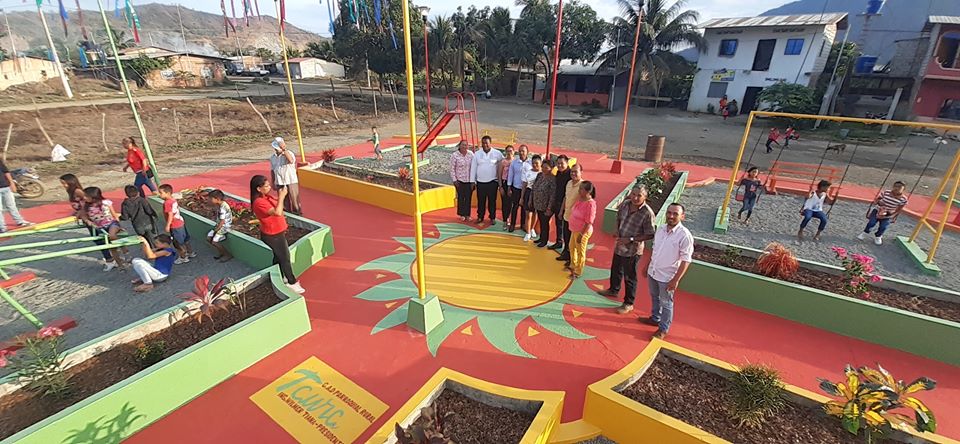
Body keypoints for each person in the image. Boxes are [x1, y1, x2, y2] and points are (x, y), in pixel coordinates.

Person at [599, 185, 656, 314]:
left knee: (630, 276)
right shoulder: (625, 204)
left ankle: (628, 303)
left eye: (639, 195)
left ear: (645, 197)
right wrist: (617, 229)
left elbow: (650, 234)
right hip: (620, 245)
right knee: (616, 268)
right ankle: (613, 289)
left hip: (633, 250)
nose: (635, 198)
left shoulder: (647, 213)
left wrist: (630, 239)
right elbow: (618, 217)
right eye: (633, 194)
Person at [644, 203, 694, 339]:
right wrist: (647, 266)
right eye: (669, 212)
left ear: (682, 216)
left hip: (667, 277)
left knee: (666, 303)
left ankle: (663, 329)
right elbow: (655, 249)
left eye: (675, 214)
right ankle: (655, 318)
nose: (671, 216)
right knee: (654, 296)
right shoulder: (660, 229)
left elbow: (686, 260)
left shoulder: (684, 236)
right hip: (653, 271)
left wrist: (675, 280)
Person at [251, 175, 305, 294]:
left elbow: (280, 206)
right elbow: (277, 212)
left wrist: (282, 195)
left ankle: (279, 276)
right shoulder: (259, 202)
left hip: (277, 232)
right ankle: (292, 282)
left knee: (278, 257)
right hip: (273, 235)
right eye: (266, 186)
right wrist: (281, 196)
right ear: (258, 189)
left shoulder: (266, 197)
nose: (269, 187)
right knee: (285, 258)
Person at [61, 174, 112, 266]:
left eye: (64, 183)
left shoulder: (78, 191)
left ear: (70, 182)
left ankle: (110, 258)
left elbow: (87, 202)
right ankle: (110, 255)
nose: (63, 185)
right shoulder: (71, 191)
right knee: (98, 238)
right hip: (86, 217)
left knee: (98, 238)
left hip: (90, 217)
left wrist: (81, 213)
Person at [81, 186, 126, 271]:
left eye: (86, 196)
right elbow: (83, 215)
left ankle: (124, 248)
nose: (84, 198)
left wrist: (120, 225)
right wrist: (88, 221)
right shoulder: (86, 206)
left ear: (93, 197)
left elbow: (114, 214)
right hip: (100, 227)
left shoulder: (105, 203)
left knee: (112, 235)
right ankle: (119, 263)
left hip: (112, 223)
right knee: (111, 245)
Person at [858, 181, 908, 245]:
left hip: (888, 213)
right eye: (895, 186)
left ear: (903, 189)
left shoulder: (903, 199)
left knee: (883, 226)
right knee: (871, 223)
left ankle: (878, 236)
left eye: (899, 187)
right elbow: (877, 200)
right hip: (878, 210)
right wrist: (878, 202)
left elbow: (899, 209)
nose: (896, 188)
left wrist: (892, 215)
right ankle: (865, 233)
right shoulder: (886, 192)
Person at [469, 135, 504, 225]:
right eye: (483, 143)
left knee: (492, 201)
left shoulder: (497, 153)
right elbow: (473, 168)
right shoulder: (477, 154)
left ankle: (492, 217)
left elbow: (503, 163)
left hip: (492, 182)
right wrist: (472, 181)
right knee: (481, 201)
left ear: (490, 143)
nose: (485, 145)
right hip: (480, 182)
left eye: (487, 143)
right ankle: (480, 217)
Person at [158, 184, 195, 263]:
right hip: (180, 222)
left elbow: (170, 214)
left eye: (161, 193)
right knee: (185, 239)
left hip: (174, 225)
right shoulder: (173, 200)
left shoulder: (167, 203)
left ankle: (183, 257)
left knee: (177, 243)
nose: (159, 194)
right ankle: (190, 252)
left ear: (167, 193)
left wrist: (168, 225)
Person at [567, 181, 597, 280]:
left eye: (581, 189)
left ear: (588, 191)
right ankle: (573, 264)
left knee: (580, 251)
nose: (579, 190)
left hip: (582, 231)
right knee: (572, 247)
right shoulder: (580, 199)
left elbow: (589, 222)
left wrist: (581, 234)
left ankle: (578, 271)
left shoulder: (590, 204)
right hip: (575, 229)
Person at [556, 164, 583, 265]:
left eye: (576, 171)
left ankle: (573, 260)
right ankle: (566, 254)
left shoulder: (583, 186)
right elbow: (565, 197)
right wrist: (561, 211)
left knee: (574, 241)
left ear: (581, 172)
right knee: (566, 237)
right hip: (567, 215)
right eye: (572, 171)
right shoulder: (569, 183)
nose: (573, 174)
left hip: (576, 219)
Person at [270, 137, 301, 214]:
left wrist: (284, 149)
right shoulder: (273, 157)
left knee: (294, 200)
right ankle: (287, 214)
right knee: (283, 200)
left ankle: (297, 214)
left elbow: (291, 160)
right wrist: (273, 181)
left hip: (290, 180)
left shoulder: (289, 153)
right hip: (279, 181)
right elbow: (273, 170)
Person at [506, 145, 531, 232]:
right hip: (516, 188)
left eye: (523, 151)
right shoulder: (514, 162)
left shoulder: (531, 163)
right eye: (520, 151)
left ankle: (523, 224)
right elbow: (510, 175)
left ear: (527, 152)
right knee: (515, 207)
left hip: (527, 189)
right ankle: (512, 224)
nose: (521, 153)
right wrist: (509, 187)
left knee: (524, 207)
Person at [0, 160, 31, 232]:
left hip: (6, 187)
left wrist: (12, 183)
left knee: (12, 205)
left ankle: (20, 221)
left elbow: (6, 172)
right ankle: (2, 227)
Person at [532, 158, 556, 247]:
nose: (544, 169)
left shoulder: (553, 179)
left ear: (551, 168)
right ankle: (541, 238)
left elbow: (552, 195)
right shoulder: (539, 175)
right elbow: (534, 187)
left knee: (545, 223)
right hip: (538, 203)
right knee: (541, 221)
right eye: (543, 167)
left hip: (546, 206)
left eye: (546, 168)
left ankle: (544, 240)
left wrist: (549, 208)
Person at [206, 189, 234, 262]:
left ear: (217, 199)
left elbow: (222, 221)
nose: (209, 200)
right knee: (209, 238)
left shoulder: (223, 208)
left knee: (214, 242)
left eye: (211, 198)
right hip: (219, 225)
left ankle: (227, 255)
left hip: (224, 226)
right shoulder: (219, 205)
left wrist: (216, 230)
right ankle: (221, 253)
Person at [450, 140, 474, 222]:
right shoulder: (455, 155)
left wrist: (473, 180)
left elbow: (474, 167)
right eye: (463, 145)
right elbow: (452, 168)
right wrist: (454, 180)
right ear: (459, 145)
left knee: (468, 198)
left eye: (466, 145)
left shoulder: (471, 154)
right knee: (461, 197)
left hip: (469, 180)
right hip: (459, 180)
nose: (464, 146)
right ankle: (462, 214)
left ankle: (467, 214)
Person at [551, 155, 571, 250]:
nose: (559, 165)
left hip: (566, 204)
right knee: (558, 224)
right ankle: (559, 241)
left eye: (562, 163)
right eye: (558, 163)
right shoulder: (558, 173)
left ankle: (567, 249)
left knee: (566, 227)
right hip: (557, 201)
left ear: (567, 163)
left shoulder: (570, 175)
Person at [522, 154, 542, 242]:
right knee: (528, 214)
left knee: (535, 213)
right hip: (529, 193)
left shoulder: (543, 173)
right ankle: (528, 232)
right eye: (533, 163)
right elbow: (524, 185)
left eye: (537, 163)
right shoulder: (528, 173)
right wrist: (522, 197)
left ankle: (532, 228)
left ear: (540, 163)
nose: (535, 165)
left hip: (538, 195)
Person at [499, 145, 515, 230]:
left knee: (511, 204)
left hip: (513, 184)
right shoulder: (503, 162)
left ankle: (510, 219)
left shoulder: (515, 162)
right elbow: (499, 175)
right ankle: (505, 220)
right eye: (507, 151)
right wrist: (500, 186)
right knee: (505, 203)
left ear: (514, 152)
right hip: (504, 183)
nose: (509, 153)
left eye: (511, 151)